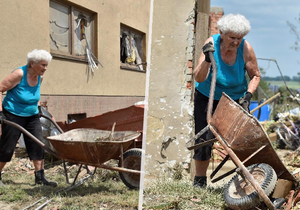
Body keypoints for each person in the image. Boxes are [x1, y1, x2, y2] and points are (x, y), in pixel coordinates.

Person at [192, 14, 261, 187]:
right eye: (232, 37)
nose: (236, 42)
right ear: (222, 33)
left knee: (239, 140)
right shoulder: (211, 44)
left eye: (239, 38)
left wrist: (248, 96)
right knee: (204, 139)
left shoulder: (245, 49)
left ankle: (245, 180)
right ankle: (199, 180)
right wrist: (207, 60)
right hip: (207, 97)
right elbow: (198, 78)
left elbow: (255, 76)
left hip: (233, 99)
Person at [0, 49, 57, 187]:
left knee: (38, 144)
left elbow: (34, 94)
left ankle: (40, 177)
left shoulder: (39, 77)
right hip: (13, 114)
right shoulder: (19, 74)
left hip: (32, 116)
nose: (45, 68)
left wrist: (37, 107)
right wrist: (0, 112)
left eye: (46, 65)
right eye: (43, 65)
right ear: (32, 63)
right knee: (8, 147)